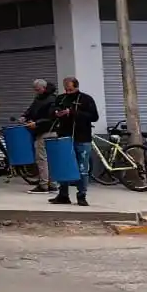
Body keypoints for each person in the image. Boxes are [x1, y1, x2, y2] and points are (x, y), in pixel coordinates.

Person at [50, 76, 98, 206]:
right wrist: (56, 113)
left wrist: (73, 112)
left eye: (70, 90)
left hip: (82, 137)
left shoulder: (86, 99)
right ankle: (63, 195)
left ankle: (81, 195)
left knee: (82, 168)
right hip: (64, 137)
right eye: (66, 89)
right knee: (63, 166)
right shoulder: (61, 98)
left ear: (76, 87)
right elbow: (52, 111)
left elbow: (94, 117)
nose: (68, 92)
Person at [23, 79, 58, 194]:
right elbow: (31, 110)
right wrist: (24, 116)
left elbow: (51, 118)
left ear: (44, 88)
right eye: (35, 90)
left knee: (42, 159)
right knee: (51, 159)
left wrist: (36, 123)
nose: (36, 92)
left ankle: (43, 185)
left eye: (38, 89)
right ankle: (52, 184)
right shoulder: (41, 98)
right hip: (48, 131)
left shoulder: (51, 99)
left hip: (46, 131)